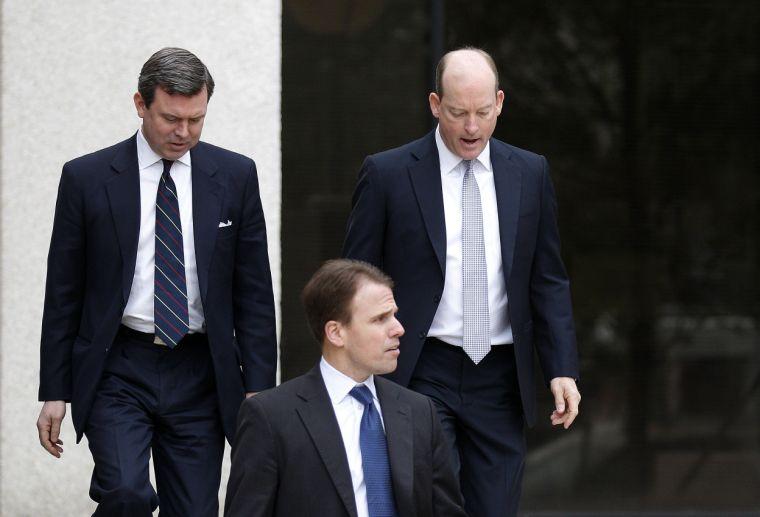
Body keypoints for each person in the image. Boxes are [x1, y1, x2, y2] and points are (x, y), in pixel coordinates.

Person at [35, 47, 277, 516]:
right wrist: (54, 390)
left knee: (196, 510)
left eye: (196, 119)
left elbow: (254, 292)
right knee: (127, 493)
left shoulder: (235, 176)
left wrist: (258, 387)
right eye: (170, 118)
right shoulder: (86, 178)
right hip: (118, 365)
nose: (183, 132)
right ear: (140, 104)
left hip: (201, 370)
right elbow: (63, 292)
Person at [342, 47, 581, 516]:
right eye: (457, 113)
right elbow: (353, 279)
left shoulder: (530, 173)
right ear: (435, 105)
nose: (472, 127)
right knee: (430, 505)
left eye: (483, 113)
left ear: (500, 103)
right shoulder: (388, 174)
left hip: (501, 375)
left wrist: (562, 367)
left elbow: (547, 278)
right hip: (420, 368)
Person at [224, 259, 467, 517]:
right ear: (336, 333)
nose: (399, 328)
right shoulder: (270, 417)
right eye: (380, 319)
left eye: (394, 315)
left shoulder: (419, 411)